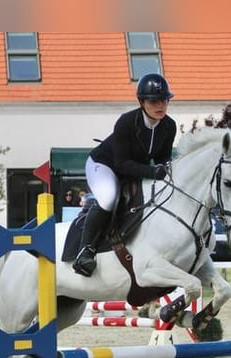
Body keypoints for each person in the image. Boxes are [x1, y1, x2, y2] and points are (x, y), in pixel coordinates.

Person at [73, 72, 177, 277]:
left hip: (134, 169)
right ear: (141, 102)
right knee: (109, 196)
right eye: (154, 101)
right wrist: (152, 171)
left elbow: (163, 160)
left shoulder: (169, 126)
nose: (160, 105)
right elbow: (121, 164)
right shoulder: (127, 122)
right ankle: (85, 251)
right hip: (104, 165)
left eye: (164, 100)